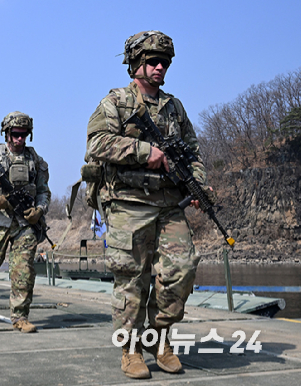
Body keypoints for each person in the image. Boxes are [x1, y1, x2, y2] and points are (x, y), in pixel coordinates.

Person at [85, 30, 208, 379]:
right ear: (136, 64)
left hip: (169, 201)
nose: (159, 68)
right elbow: (97, 143)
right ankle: (130, 349)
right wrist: (145, 152)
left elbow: (193, 152)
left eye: (164, 62)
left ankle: (160, 339)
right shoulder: (116, 102)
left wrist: (196, 182)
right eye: (153, 61)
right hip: (128, 201)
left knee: (181, 270)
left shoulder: (174, 107)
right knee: (131, 278)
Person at [0, 111, 51, 333]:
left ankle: (20, 316)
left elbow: (44, 192)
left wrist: (39, 210)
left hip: (23, 225)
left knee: (23, 270)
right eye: (15, 134)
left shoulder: (36, 161)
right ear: (6, 133)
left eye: (24, 134)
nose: (19, 139)